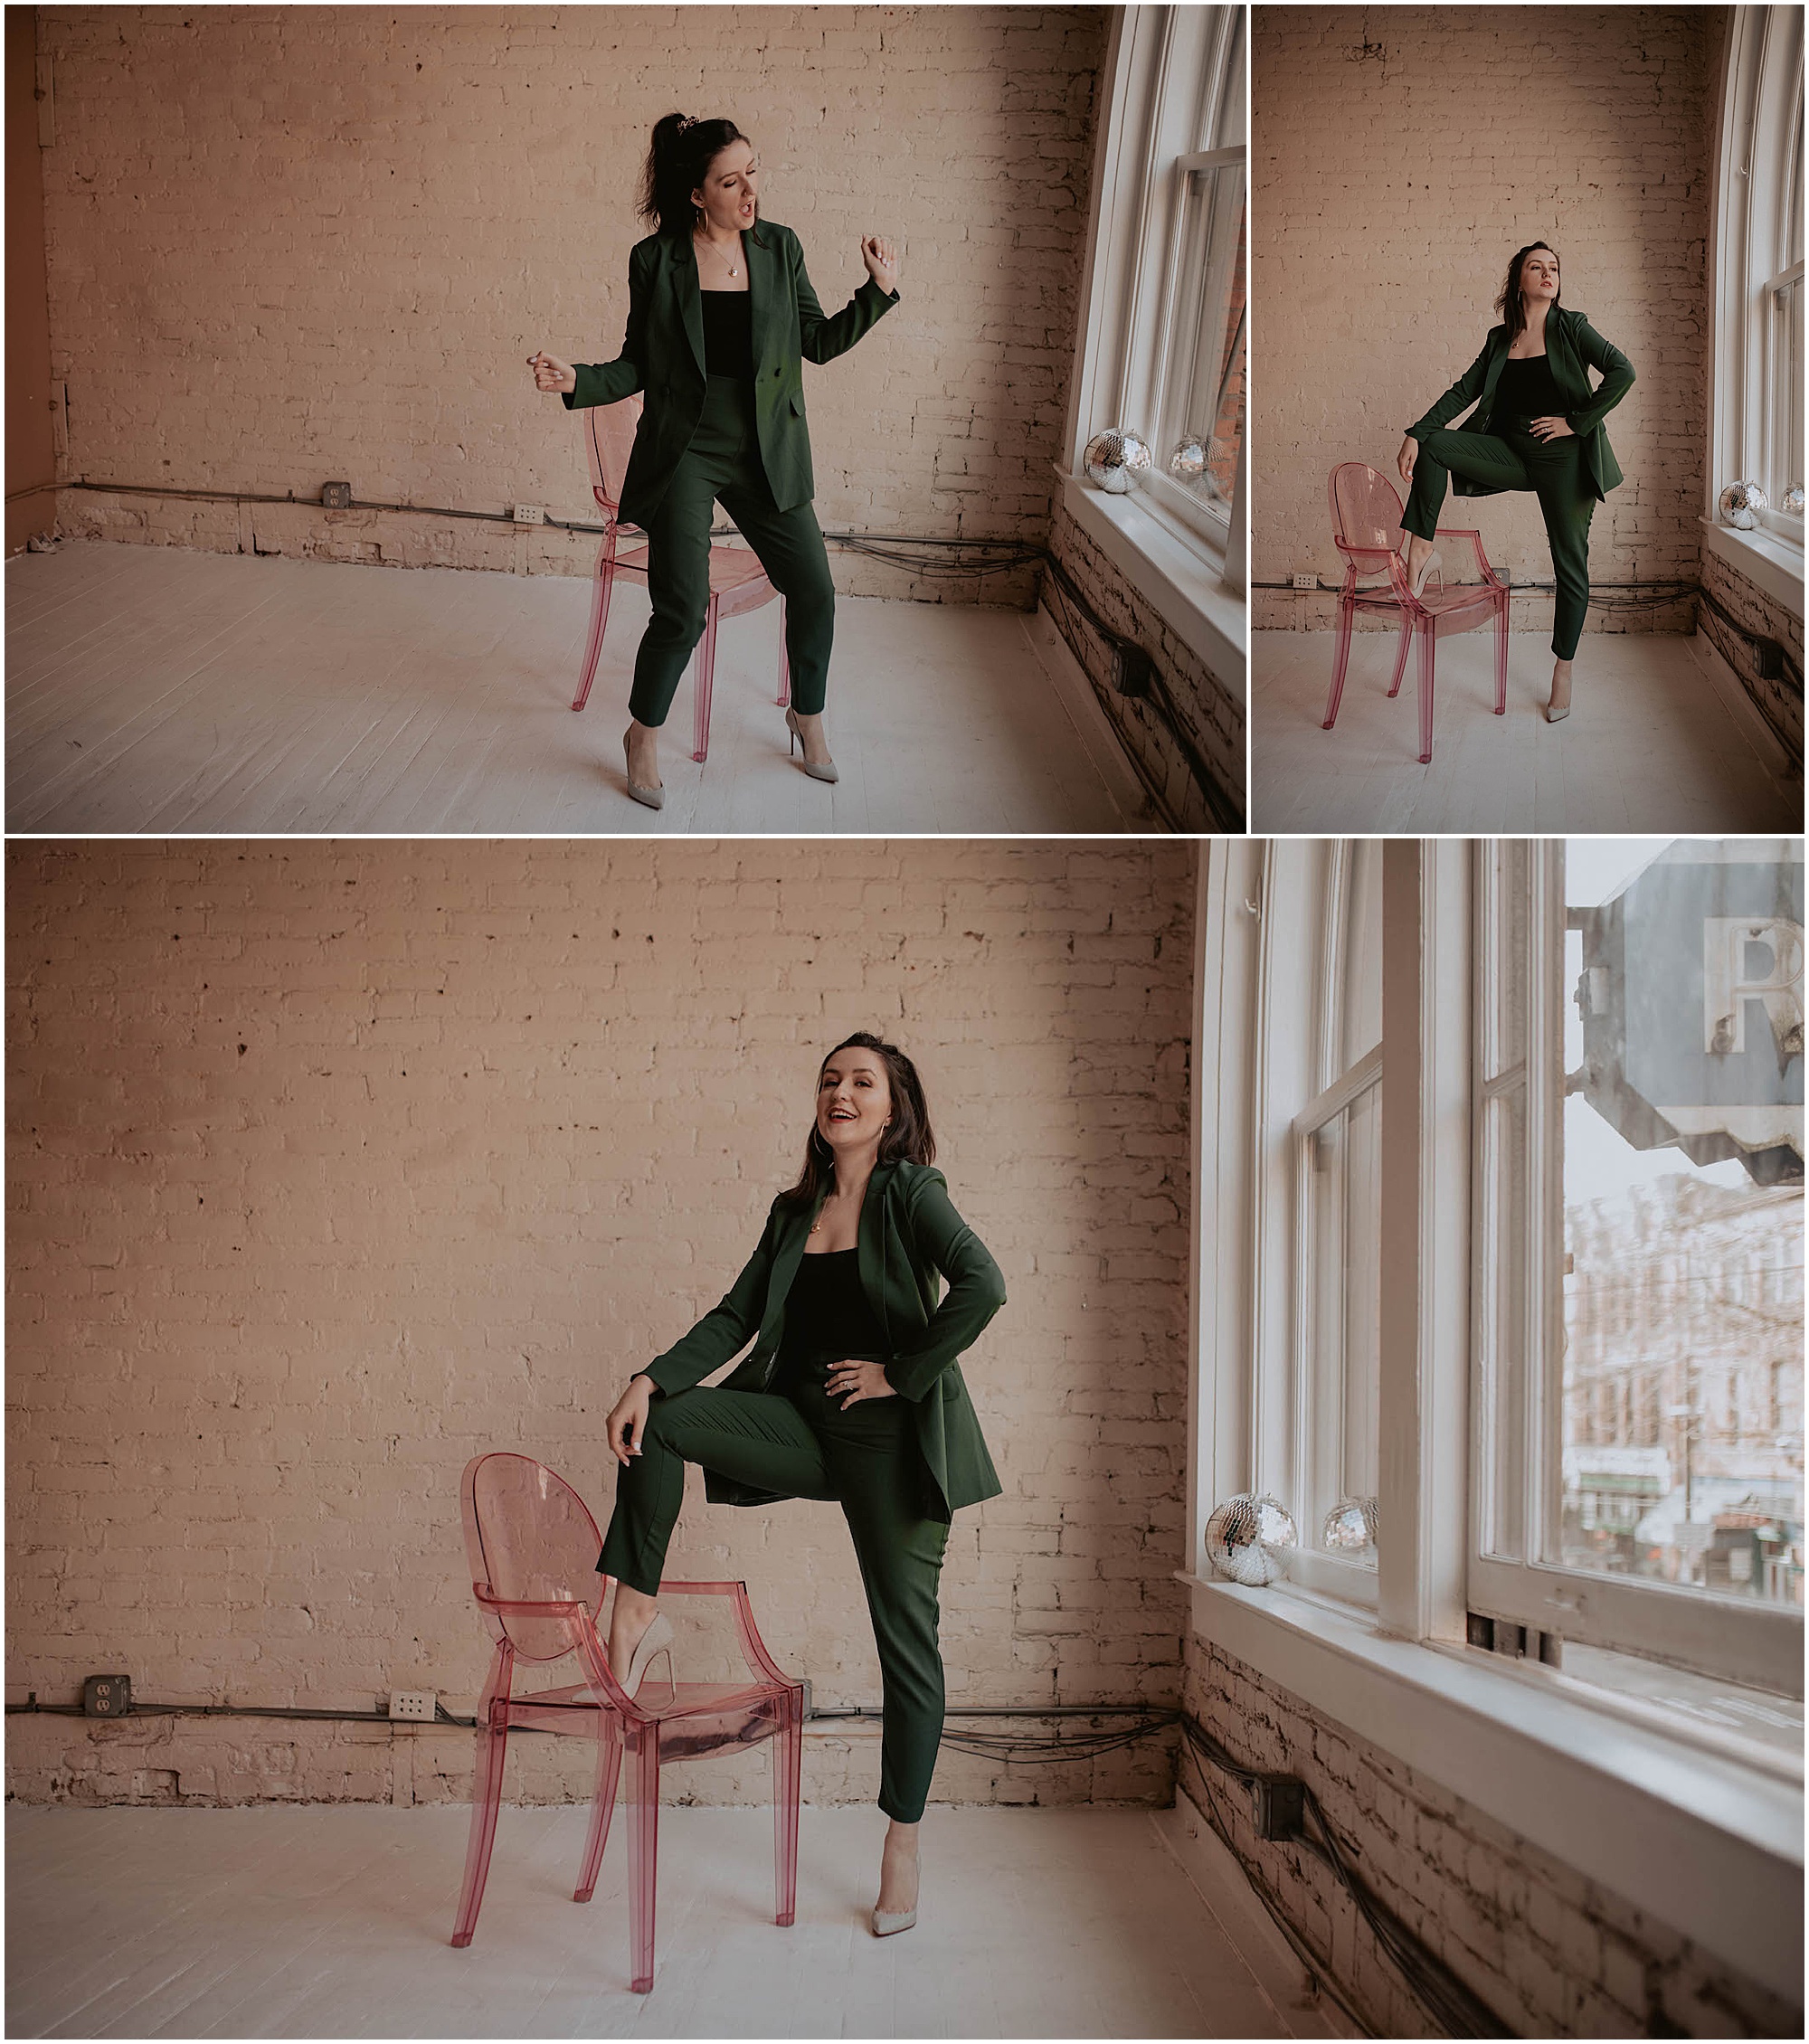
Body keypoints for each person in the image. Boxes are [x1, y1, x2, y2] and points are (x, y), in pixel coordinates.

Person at [597, 1032, 1006, 1937]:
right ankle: (637, 1611)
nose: (841, 1093)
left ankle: (901, 1841)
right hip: (802, 1428)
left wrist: (901, 1373)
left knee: (907, 1645)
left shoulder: (911, 1193)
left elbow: (984, 1284)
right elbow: (737, 1315)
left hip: (890, 1448)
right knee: (663, 1417)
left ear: (892, 1110)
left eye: (862, 1082)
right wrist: (647, 1377)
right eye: (829, 1080)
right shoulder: (794, 1211)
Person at [530, 115, 900, 805]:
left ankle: (807, 716)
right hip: (687, 451)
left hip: (766, 451)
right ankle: (643, 734)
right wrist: (579, 379)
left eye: (753, 172)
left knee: (814, 589)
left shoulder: (780, 247)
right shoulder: (656, 259)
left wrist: (875, 291)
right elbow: (639, 363)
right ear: (698, 194)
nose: (750, 191)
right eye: (731, 181)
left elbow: (817, 343)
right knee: (681, 610)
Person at [1396, 241, 1634, 724]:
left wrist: (1576, 423)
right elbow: (1464, 390)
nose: (1547, 273)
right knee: (1436, 445)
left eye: (1554, 268)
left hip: (1563, 460)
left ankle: (1563, 668)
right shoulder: (1500, 339)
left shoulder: (1572, 327)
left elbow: (1622, 371)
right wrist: (1416, 433)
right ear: (1519, 280)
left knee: (1570, 565)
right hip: (1510, 451)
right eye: (1536, 266)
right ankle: (1421, 548)